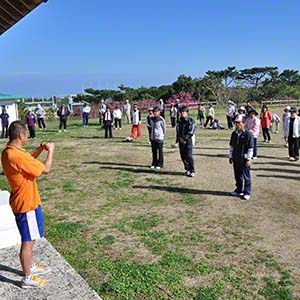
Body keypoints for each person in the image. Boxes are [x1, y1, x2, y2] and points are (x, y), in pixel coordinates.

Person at [1, 121, 55, 288]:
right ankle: (27, 277)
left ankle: (29, 265)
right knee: (27, 240)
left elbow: (27, 160)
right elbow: (45, 169)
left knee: (31, 238)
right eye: (26, 135)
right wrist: (50, 151)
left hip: (24, 201)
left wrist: (39, 149)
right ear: (21, 136)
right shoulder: (16, 155)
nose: (27, 138)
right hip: (27, 204)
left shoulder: (9, 152)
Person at [229, 118, 254, 201]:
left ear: (243, 123)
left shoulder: (248, 134)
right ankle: (239, 190)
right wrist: (230, 156)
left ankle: (247, 192)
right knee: (237, 175)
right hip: (236, 158)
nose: (237, 125)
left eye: (238, 123)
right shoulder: (234, 134)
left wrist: (249, 159)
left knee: (246, 176)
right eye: (235, 123)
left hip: (244, 159)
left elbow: (250, 148)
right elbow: (231, 146)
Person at [176, 106, 196, 177]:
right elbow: (178, 131)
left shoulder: (190, 121)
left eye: (183, 112)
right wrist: (178, 139)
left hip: (188, 141)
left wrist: (185, 139)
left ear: (187, 113)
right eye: (181, 112)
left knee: (189, 156)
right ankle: (187, 169)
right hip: (181, 141)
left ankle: (192, 170)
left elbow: (191, 132)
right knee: (183, 156)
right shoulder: (179, 121)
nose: (182, 114)